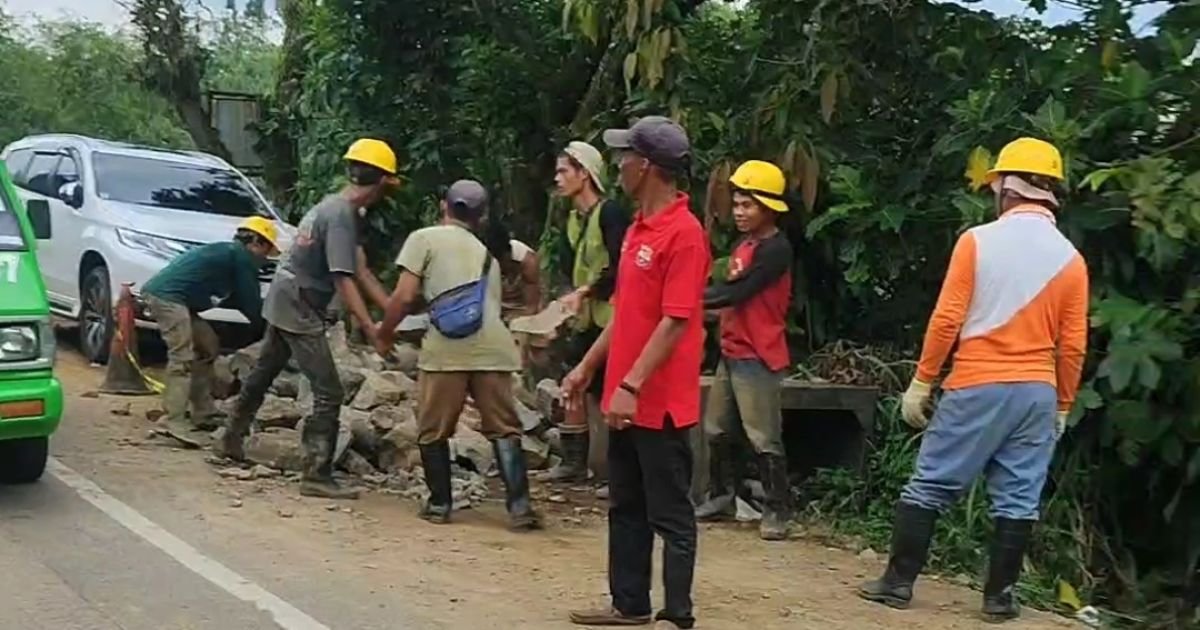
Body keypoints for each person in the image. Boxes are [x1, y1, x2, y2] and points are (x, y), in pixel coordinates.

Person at [858, 138, 1088, 623]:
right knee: (1020, 495)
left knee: (930, 484)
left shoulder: (977, 241)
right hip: (1037, 393)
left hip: (980, 381)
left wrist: (922, 381)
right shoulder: (1072, 260)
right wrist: (1063, 403)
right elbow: (1072, 346)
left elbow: (947, 319)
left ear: (1006, 187)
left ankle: (897, 584)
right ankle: (999, 598)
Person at [564, 116, 710, 630]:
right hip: (624, 396)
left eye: (625, 156)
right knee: (625, 502)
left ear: (645, 166)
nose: (620, 164)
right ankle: (630, 604)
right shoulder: (635, 230)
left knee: (669, 512)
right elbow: (628, 313)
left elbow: (676, 321)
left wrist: (631, 385)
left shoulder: (685, 235)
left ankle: (678, 613)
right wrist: (587, 368)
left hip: (659, 401)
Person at [213, 138, 399, 500]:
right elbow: (344, 279)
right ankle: (317, 472)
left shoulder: (334, 208)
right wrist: (372, 329)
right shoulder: (341, 215)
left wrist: (390, 310)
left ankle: (229, 439)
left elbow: (358, 267)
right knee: (329, 390)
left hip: (286, 295)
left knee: (264, 371)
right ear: (380, 183)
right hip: (300, 305)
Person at [374, 180, 541, 532]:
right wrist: (530, 306)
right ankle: (520, 507)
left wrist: (384, 332)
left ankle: (439, 504)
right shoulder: (489, 251)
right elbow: (530, 262)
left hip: (447, 346)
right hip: (494, 346)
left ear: (442, 205)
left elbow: (404, 297)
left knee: (433, 428)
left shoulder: (424, 238)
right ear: (480, 216)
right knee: (505, 429)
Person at [695, 160, 795, 541]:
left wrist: (685, 300)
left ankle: (777, 508)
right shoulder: (745, 245)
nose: (739, 212)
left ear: (769, 207)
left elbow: (737, 292)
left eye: (748, 205)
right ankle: (722, 494)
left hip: (759, 352)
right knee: (716, 427)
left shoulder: (775, 250)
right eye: (736, 204)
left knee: (763, 435)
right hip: (733, 349)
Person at [143, 217, 278, 443]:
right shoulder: (241, 257)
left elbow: (235, 299)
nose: (264, 258)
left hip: (179, 301)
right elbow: (250, 303)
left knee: (208, 347)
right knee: (182, 357)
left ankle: (203, 411)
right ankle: (172, 419)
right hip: (168, 298)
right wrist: (269, 331)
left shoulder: (229, 255)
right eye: (266, 251)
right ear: (256, 242)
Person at [546, 140, 630, 485]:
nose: (558, 178)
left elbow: (620, 266)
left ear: (585, 173)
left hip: (610, 317)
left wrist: (585, 292)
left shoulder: (610, 214)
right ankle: (575, 461)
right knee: (575, 385)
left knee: (610, 392)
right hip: (584, 317)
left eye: (564, 171)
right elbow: (571, 270)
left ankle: (617, 473)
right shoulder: (572, 220)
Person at [482, 218, 540, 323]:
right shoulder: (481, 262)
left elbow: (531, 308)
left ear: (508, 253)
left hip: (520, 314)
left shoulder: (528, 262)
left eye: (501, 261)